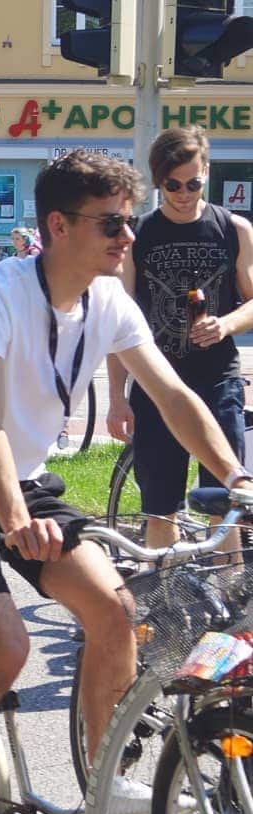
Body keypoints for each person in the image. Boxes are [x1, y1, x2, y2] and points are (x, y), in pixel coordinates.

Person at [0, 150, 253, 814]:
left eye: (127, 220)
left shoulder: (109, 302)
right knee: (6, 648)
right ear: (57, 226)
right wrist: (15, 520)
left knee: (115, 611)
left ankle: (104, 783)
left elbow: (175, 398)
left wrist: (239, 479)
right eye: (111, 223)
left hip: (22, 483)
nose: (127, 237)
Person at [107, 126, 253, 550]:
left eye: (194, 182)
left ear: (207, 171)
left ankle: (228, 605)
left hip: (217, 381)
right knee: (160, 506)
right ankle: (162, 599)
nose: (184, 193)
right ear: (158, 181)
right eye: (173, 185)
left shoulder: (234, 229)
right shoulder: (138, 235)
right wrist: (117, 396)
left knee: (227, 504)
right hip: (156, 385)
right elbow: (121, 317)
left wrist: (225, 325)